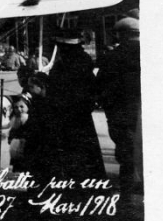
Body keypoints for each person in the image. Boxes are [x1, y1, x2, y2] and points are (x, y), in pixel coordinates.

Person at [45, 28, 106, 180]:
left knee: (71, 158)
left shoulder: (64, 66)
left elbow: (54, 91)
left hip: (67, 119)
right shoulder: (83, 62)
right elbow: (93, 90)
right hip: (82, 119)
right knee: (86, 158)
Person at [96, 15, 141, 211]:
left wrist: (110, 111)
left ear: (121, 35)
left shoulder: (111, 58)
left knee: (126, 157)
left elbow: (100, 88)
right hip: (140, 113)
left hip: (120, 116)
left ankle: (127, 198)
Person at [8, 95, 32, 173]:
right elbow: (12, 132)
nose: (19, 109)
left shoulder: (28, 119)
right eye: (16, 107)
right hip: (15, 147)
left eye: (22, 106)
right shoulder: (14, 119)